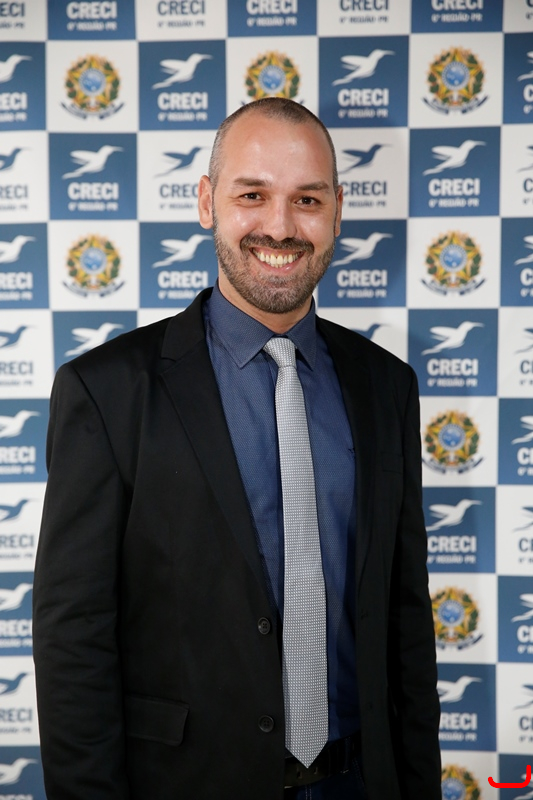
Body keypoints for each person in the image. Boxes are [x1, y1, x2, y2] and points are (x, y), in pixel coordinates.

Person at [33, 98, 441, 800]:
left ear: (337, 211)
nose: (280, 227)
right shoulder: (106, 391)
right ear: (206, 202)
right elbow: (74, 636)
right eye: (252, 195)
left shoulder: (386, 386)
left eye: (307, 199)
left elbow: (405, 616)